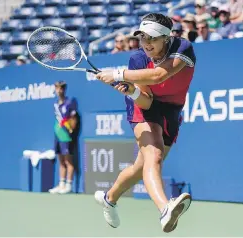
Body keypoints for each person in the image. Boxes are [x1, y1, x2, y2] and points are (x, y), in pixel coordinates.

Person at [95, 13, 196, 233]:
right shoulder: (137, 60)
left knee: (142, 167)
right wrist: (131, 90)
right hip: (144, 106)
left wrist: (118, 74)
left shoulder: (182, 48)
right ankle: (165, 209)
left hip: (172, 111)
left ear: (166, 38)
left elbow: (159, 75)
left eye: (152, 38)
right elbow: (147, 102)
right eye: (142, 37)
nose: (146, 43)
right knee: (155, 156)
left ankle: (109, 198)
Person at [49, 81, 79, 194]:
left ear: (64, 89)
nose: (59, 90)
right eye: (57, 88)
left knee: (68, 161)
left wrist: (70, 129)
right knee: (61, 161)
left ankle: (69, 185)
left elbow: (74, 119)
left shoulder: (70, 102)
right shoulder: (55, 105)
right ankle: (61, 184)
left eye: (61, 88)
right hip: (58, 135)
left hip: (66, 136)